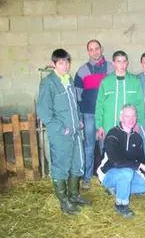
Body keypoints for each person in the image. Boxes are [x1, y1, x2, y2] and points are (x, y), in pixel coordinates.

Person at [37, 49, 91, 215]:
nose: (65, 65)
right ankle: (64, 202)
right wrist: (62, 129)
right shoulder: (49, 83)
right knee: (60, 167)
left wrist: (78, 119)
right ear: (54, 64)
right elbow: (43, 112)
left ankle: (74, 195)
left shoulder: (69, 80)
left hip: (75, 132)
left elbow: (73, 105)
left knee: (77, 164)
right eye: (61, 62)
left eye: (67, 62)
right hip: (61, 135)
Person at [97, 104, 145, 218]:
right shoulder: (113, 134)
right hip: (109, 174)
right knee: (127, 172)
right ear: (121, 118)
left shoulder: (137, 138)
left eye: (133, 116)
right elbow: (116, 162)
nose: (131, 119)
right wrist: (139, 165)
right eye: (127, 116)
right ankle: (121, 204)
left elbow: (141, 160)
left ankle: (118, 190)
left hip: (128, 172)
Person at [74, 39, 114, 190]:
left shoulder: (111, 68)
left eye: (97, 48)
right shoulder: (82, 71)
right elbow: (77, 95)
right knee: (89, 146)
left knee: (106, 146)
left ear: (101, 49)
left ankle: (105, 176)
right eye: (91, 49)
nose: (94, 51)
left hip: (105, 115)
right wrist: (79, 116)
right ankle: (86, 177)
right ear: (88, 52)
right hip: (89, 114)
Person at [95, 50, 144, 143]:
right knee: (110, 154)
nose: (122, 64)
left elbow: (140, 103)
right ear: (113, 63)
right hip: (109, 125)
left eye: (124, 61)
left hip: (129, 127)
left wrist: (138, 123)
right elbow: (99, 105)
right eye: (118, 61)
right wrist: (99, 125)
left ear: (127, 63)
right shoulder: (105, 82)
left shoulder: (135, 81)